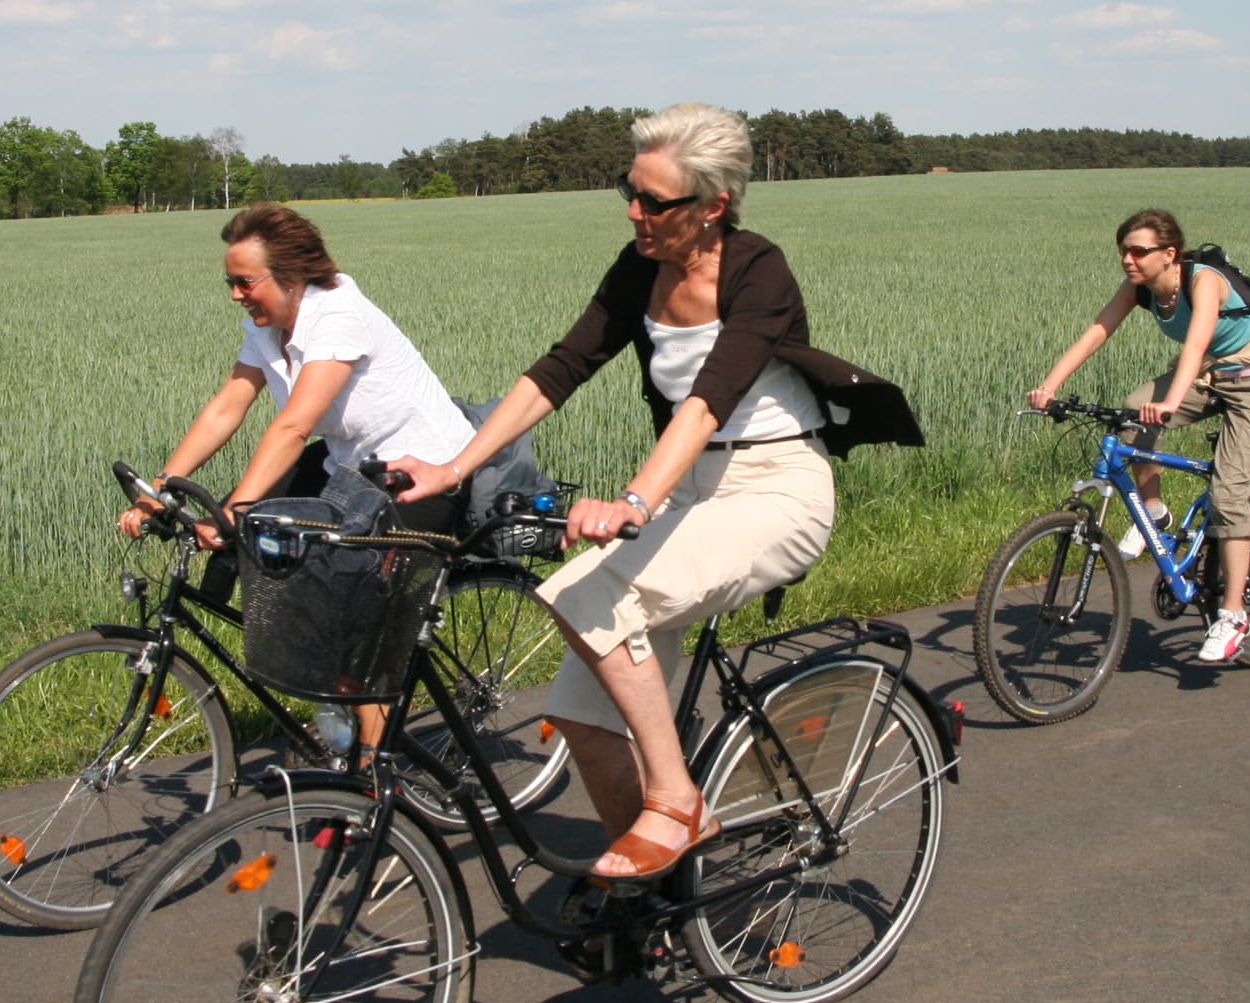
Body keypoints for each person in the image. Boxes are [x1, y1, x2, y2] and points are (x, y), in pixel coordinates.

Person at [390, 104, 919, 881]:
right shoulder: (639, 266)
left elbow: (708, 402)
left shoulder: (755, 269)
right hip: (687, 489)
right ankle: (655, 892)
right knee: (581, 716)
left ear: (714, 206)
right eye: (628, 193)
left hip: (775, 488)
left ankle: (677, 800)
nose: (635, 213)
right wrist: (453, 468)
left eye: (655, 202)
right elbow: (560, 369)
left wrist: (632, 504)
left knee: (584, 597)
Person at [119, 201, 476, 747]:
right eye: (229, 283)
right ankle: (330, 702)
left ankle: (371, 781)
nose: (235, 294)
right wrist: (161, 486)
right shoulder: (266, 329)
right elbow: (227, 408)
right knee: (266, 550)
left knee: (361, 617)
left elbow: (292, 428)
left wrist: (233, 509)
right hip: (351, 466)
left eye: (244, 282)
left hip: (421, 470)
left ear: (289, 276)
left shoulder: (337, 316)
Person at [1026, 209, 1250, 666]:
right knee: (1131, 415)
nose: (1128, 260)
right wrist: (1049, 386)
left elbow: (1195, 342)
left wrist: (1171, 400)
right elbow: (1098, 331)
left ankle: (1232, 617)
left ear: (1169, 254)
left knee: (1229, 493)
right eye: (1123, 252)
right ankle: (1154, 512)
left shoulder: (1203, 280)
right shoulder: (1139, 289)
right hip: (1205, 376)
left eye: (1138, 251)